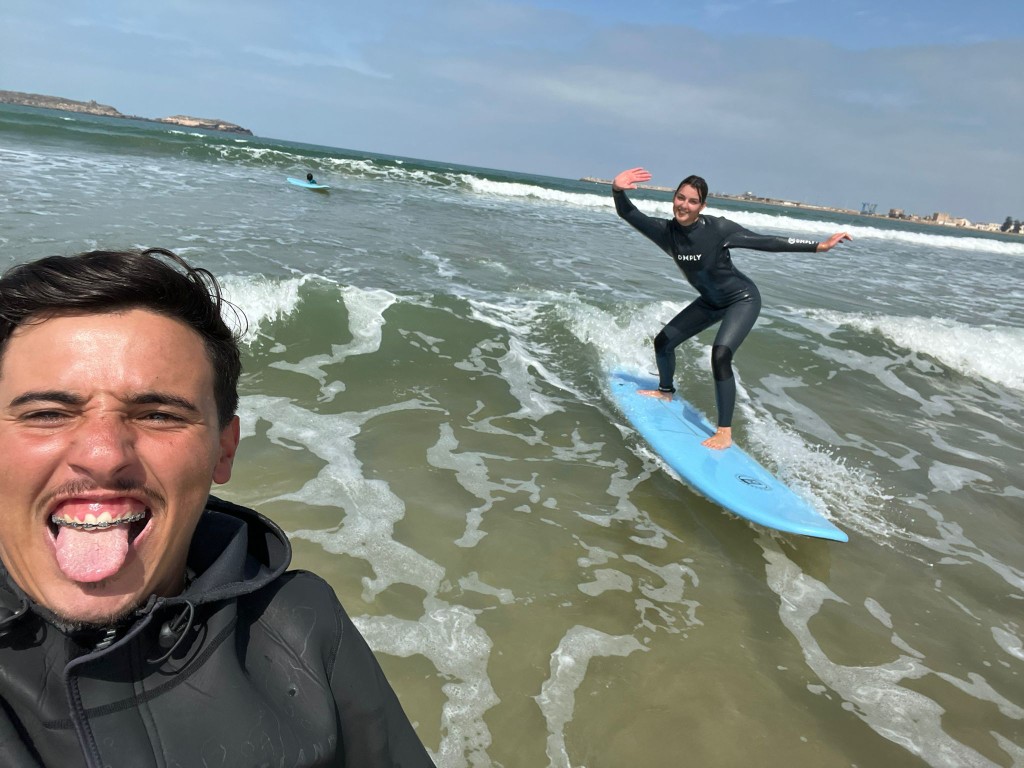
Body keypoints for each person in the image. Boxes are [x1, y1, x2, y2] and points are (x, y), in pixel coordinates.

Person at [0, 248, 435, 767]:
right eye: (48, 413)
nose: (103, 455)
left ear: (224, 449)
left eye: (159, 415)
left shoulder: (301, 625)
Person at [612, 167, 851, 450]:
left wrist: (818, 246)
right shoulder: (666, 233)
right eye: (680, 198)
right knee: (664, 342)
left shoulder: (718, 230)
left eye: (692, 201)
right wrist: (617, 190)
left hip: (742, 299)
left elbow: (766, 242)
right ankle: (665, 391)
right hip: (711, 301)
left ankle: (724, 432)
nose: (684, 205)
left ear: (702, 206)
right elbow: (629, 214)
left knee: (720, 354)